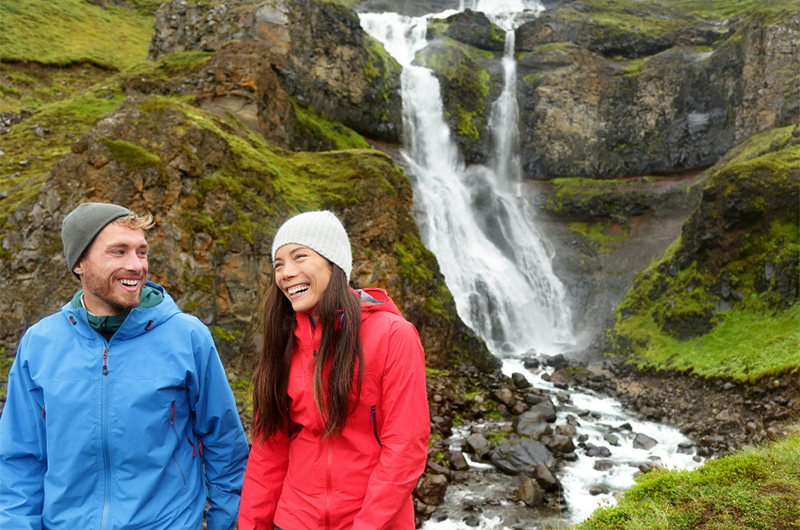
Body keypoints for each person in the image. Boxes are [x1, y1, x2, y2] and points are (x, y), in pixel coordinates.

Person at [0, 202, 250, 530]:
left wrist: (226, 525)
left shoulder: (188, 337)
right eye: (118, 252)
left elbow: (225, 448)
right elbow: (19, 459)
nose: (136, 265)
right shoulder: (40, 344)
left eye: (141, 252)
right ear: (79, 263)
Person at [239, 210, 430, 530]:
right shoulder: (283, 343)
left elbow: (405, 447)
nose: (286, 272)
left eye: (299, 256)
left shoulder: (393, 335)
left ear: (334, 263)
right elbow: (267, 452)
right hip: (294, 520)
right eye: (279, 263)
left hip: (372, 521)